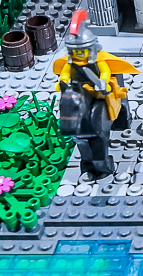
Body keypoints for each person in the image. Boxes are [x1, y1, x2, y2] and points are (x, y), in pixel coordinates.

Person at [57, 28, 134, 179]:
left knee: (110, 101)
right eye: (76, 51)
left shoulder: (98, 61)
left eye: (82, 51)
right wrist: (63, 81)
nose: (79, 54)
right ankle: (87, 164)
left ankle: (119, 118)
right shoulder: (70, 63)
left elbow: (105, 72)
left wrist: (103, 82)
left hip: (97, 90)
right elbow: (65, 74)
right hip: (78, 89)